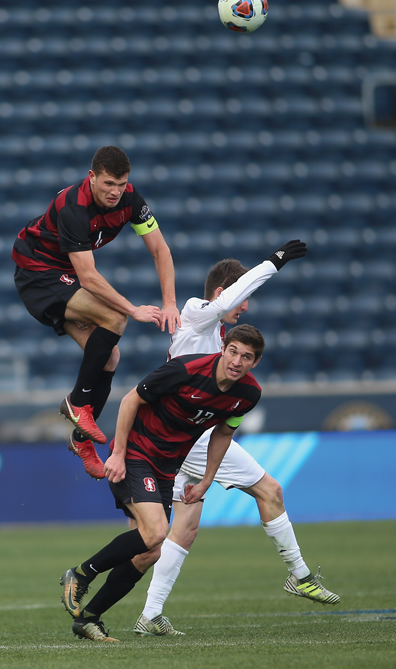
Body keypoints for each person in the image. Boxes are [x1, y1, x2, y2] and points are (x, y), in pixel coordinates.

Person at [132, 241, 340, 638]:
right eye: (239, 302)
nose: (243, 309)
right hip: (191, 437)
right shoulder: (196, 313)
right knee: (270, 490)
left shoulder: (217, 336)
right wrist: (274, 263)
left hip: (181, 435)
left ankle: (148, 613)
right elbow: (238, 293)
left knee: (182, 528)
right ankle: (299, 574)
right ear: (221, 294)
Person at [59, 324, 265, 641]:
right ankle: (81, 574)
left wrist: (207, 480)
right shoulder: (187, 369)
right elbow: (130, 400)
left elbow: (224, 433)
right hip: (136, 453)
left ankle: (88, 618)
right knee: (156, 532)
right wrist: (118, 453)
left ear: (255, 362)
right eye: (233, 351)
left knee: (149, 552)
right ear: (223, 348)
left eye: (246, 357)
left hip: (167, 469)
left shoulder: (248, 394)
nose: (237, 361)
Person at [12, 146, 180, 478]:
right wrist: (134, 310)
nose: (115, 192)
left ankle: (80, 439)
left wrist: (170, 302)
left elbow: (160, 249)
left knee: (109, 358)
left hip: (65, 274)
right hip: (37, 271)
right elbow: (88, 278)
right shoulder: (74, 207)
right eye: (108, 184)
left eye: (121, 184)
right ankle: (77, 404)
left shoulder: (131, 200)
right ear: (92, 178)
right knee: (115, 318)